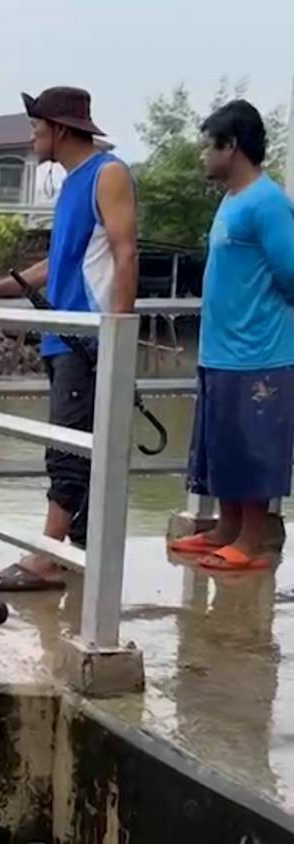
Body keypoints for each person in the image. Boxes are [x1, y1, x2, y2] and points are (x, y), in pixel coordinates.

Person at [0, 87, 138, 592]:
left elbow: (126, 253)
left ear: (59, 129)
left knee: (67, 446)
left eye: (37, 129)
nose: (32, 138)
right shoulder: (72, 186)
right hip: (64, 338)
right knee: (76, 442)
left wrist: (118, 335)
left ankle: (46, 555)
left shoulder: (108, 173)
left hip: (89, 339)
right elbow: (55, 264)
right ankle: (74, 543)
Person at [168, 101, 294, 570]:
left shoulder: (268, 203)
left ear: (232, 146)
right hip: (221, 349)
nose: (203, 154)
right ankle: (226, 527)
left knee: (254, 446)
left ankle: (253, 541)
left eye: (209, 145)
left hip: (259, 351)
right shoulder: (231, 200)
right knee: (222, 444)